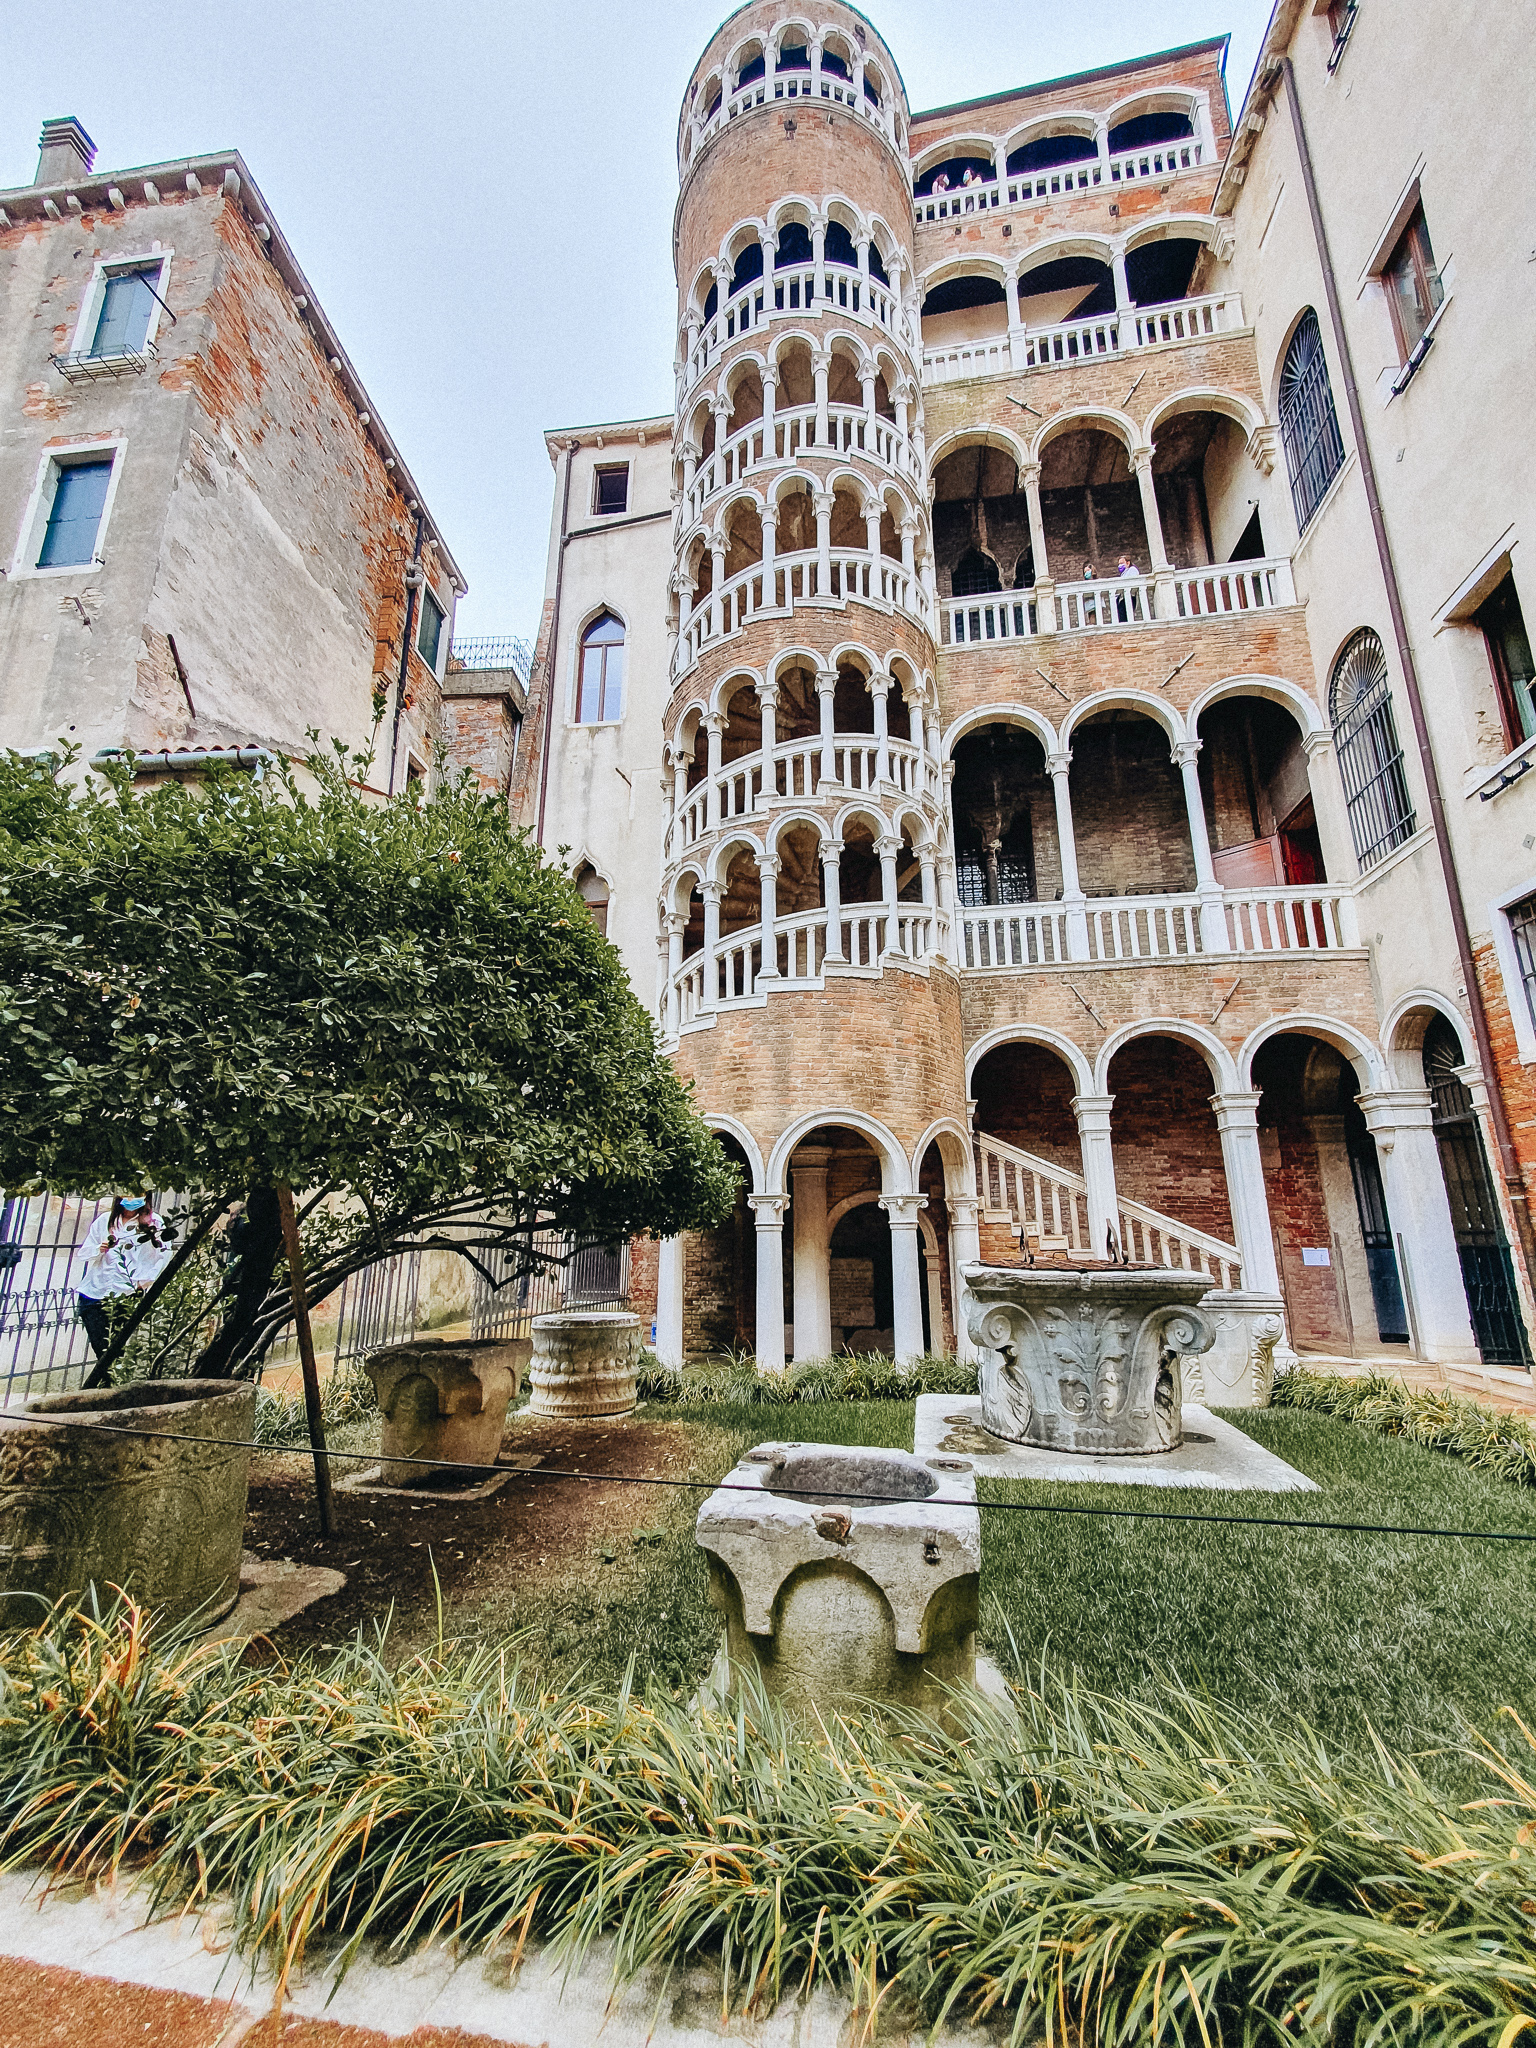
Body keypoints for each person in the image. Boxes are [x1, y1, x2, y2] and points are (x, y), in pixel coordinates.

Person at [74, 1195, 176, 1365]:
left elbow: (164, 1254)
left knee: (115, 1349)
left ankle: (108, 1386)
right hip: (94, 1292)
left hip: (126, 1293)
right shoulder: (105, 1220)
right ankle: (106, 1386)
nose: (132, 1199)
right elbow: (84, 1253)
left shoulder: (154, 1223)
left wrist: (144, 1281)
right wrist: (99, 1248)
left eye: (137, 1194)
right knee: (100, 1346)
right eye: (128, 1193)